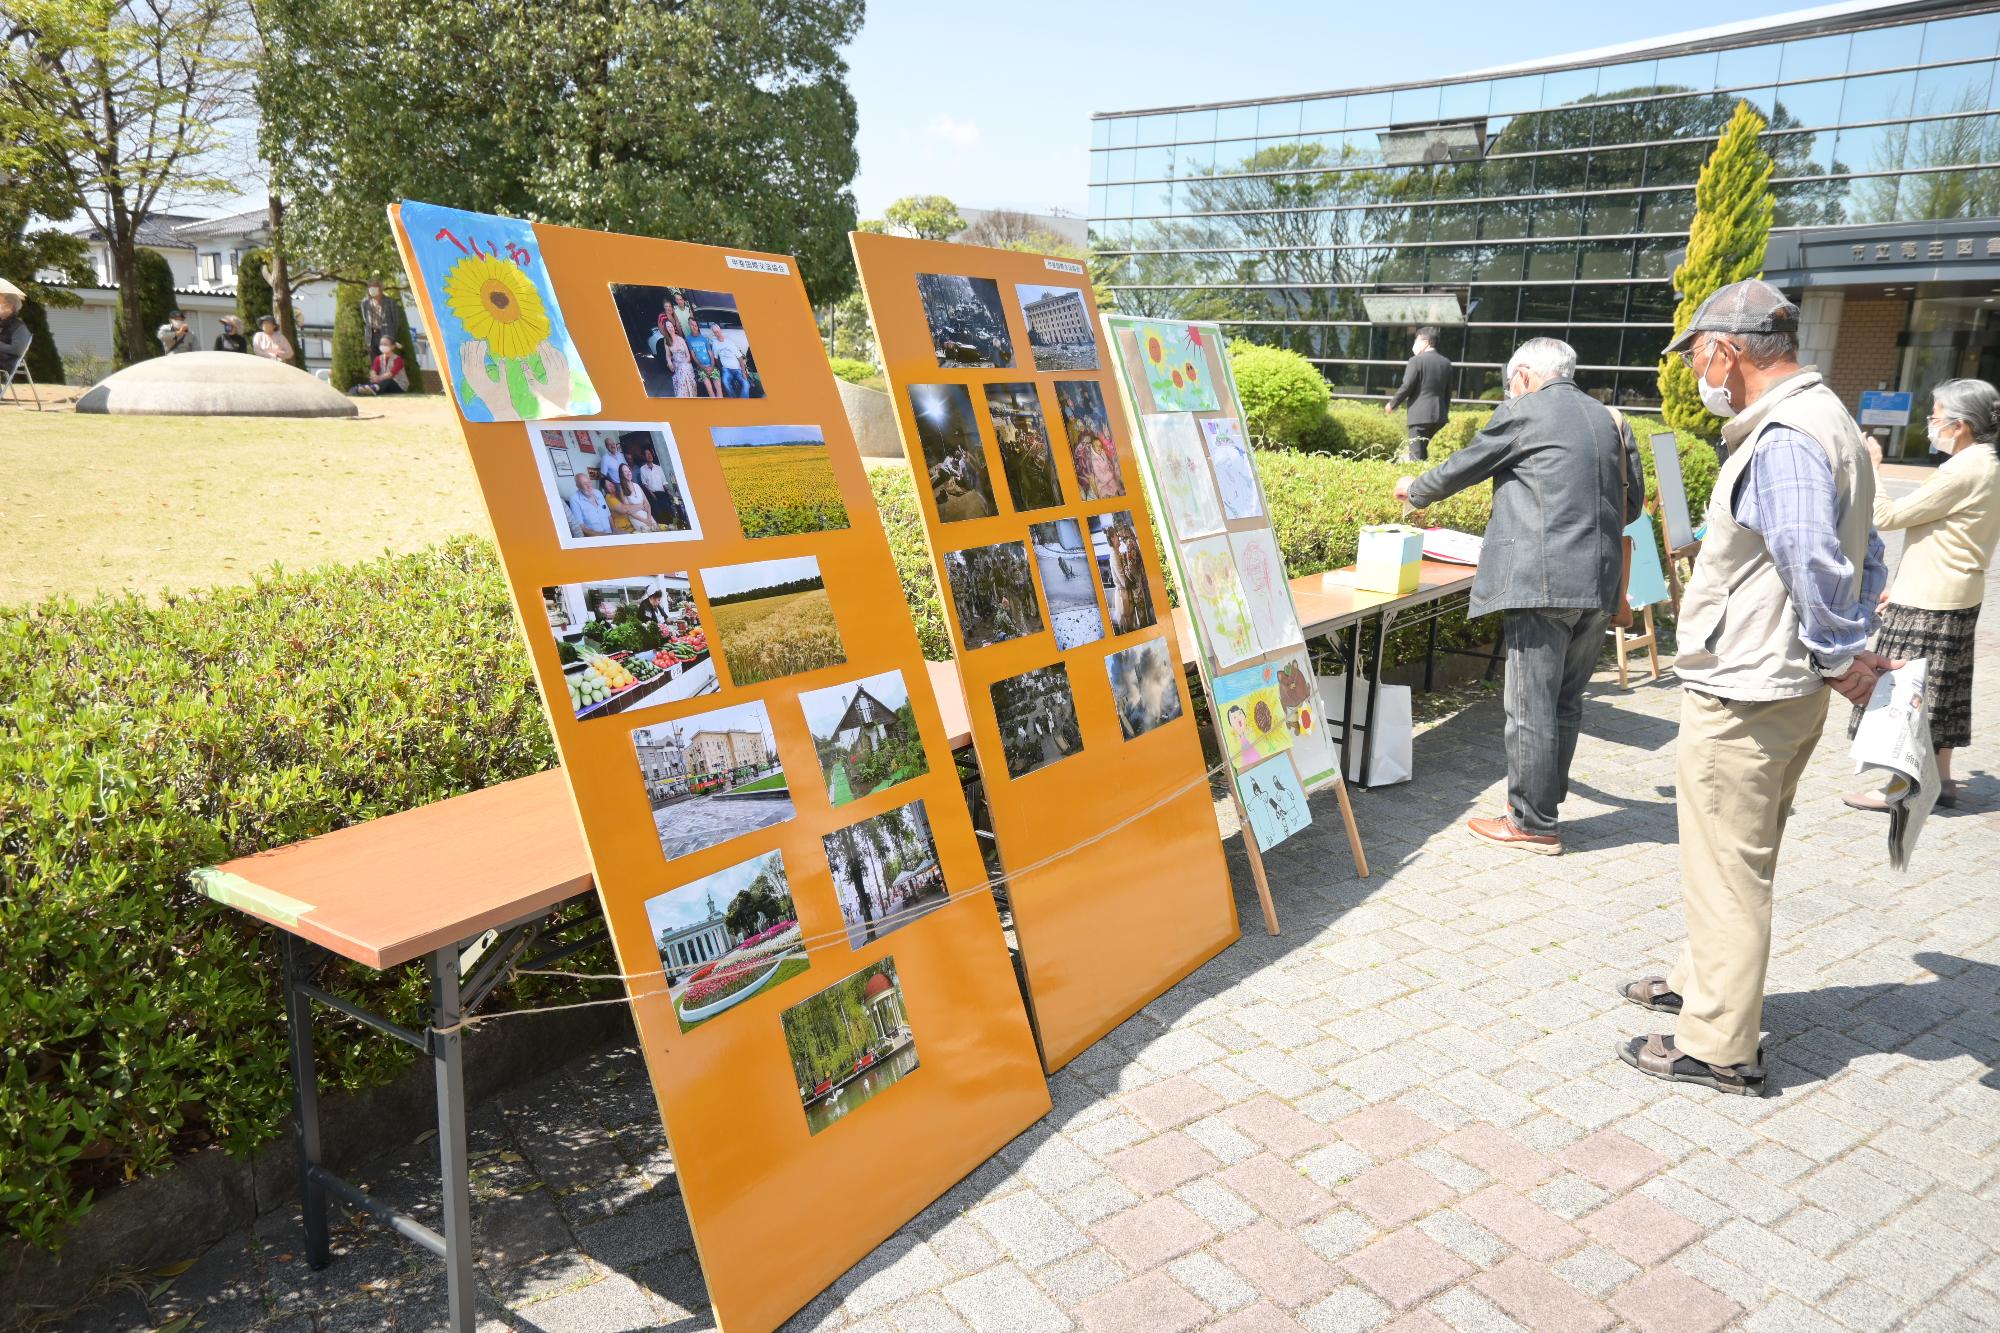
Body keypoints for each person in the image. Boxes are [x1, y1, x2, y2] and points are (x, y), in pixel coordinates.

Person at [1618, 279, 1890, 1098]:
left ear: (1726, 351)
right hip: (1784, 681)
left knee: (1729, 863)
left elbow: (1813, 555)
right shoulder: (1831, 419)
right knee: (1740, 847)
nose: (1697, 370)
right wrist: (1841, 647)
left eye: (1698, 352)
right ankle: (1703, 981)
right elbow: (1865, 550)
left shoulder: (1782, 436)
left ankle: (1718, 1044)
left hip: (1751, 686)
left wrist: (1843, 657)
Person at [1395, 336, 1643, 855]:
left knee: (1529, 705)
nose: (1511, 392)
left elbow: (1470, 461)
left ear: (1525, 375)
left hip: (1541, 580)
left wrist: (1414, 490)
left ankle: (1531, 823)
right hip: (1598, 579)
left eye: (1512, 383)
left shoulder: (1527, 411)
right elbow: (1634, 505)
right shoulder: (1611, 419)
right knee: (1565, 702)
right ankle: (1544, 805)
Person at [1844, 378, 2000, 811]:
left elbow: (1889, 515)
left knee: (1909, 691)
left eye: (1935, 416)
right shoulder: (1989, 463)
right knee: (1943, 690)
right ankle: (1942, 780)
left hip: (1930, 599)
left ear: (1962, 425)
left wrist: (1872, 464)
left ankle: (1904, 789)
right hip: (1955, 591)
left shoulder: (1965, 468)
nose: (1930, 423)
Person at [1385, 325, 1454, 462]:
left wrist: (1392, 404)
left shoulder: (1415, 361)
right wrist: (1444, 411)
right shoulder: (1446, 363)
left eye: (1416, 340)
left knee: (1415, 456)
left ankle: (1416, 482)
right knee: (1424, 453)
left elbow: (1407, 386)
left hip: (1419, 416)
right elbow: (1448, 392)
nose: (1414, 344)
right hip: (1439, 417)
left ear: (1425, 342)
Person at [637, 445, 684, 527]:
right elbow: (645, 485)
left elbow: (664, 482)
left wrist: (669, 492)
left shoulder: (658, 468)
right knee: (659, 516)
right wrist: (653, 495)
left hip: (662, 494)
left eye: (650, 453)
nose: (650, 455)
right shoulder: (642, 469)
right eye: (647, 454)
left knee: (670, 512)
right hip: (652, 495)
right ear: (644, 456)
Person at [564, 469, 615, 539]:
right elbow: (581, 527)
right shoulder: (574, 499)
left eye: (589, 482)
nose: (589, 486)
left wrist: (614, 531)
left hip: (611, 534)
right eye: (585, 484)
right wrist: (605, 536)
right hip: (595, 537)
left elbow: (608, 515)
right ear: (578, 486)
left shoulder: (598, 493)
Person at [610, 462, 661, 533]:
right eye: (625, 472)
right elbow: (629, 511)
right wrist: (644, 520)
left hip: (647, 515)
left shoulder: (637, 485)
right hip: (636, 518)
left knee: (657, 530)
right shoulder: (622, 489)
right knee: (648, 533)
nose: (628, 473)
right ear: (622, 474)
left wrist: (649, 517)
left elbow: (647, 503)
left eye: (629, 471)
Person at [359, 278, 405, 353]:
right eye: (370, 287)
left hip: (386, 335)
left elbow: (396, 321)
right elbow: (366, 319)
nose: (371, 289)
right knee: (375, 362)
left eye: (374, 286)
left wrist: (391, 336)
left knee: (385, 360)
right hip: (371, 336)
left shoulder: (390, 302)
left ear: (380, 288)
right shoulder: (365, 303)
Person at [710, 323, 749, 397]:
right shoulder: (715, 343)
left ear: (720, 330)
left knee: (746, 384)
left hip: (737, 369)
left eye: (718, 331)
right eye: (715, 332)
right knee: (725, 382)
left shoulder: (729, 341)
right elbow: (716, 358)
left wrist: (743, 372)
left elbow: (740, 357)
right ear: (713, 333)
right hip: (726, 370)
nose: (717, 334)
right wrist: (721, 369)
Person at [0, 290, 29, 381]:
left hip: (9, 361)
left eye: (1, 302)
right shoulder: (2, 323)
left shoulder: (19, 327)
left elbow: (17, 349)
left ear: (9, 306)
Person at [686, 322, 720, 397]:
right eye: (692, 325)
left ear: (698, 327)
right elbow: (693, 356)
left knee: (718, 387)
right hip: (701, 367)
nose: (694, 327)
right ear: (689, 326)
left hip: (711, 365)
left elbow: (711, 354)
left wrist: (712, 366)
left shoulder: (704, 338)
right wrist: (703, 367)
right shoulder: (688, 339)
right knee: (709, 388)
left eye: (695, 325)